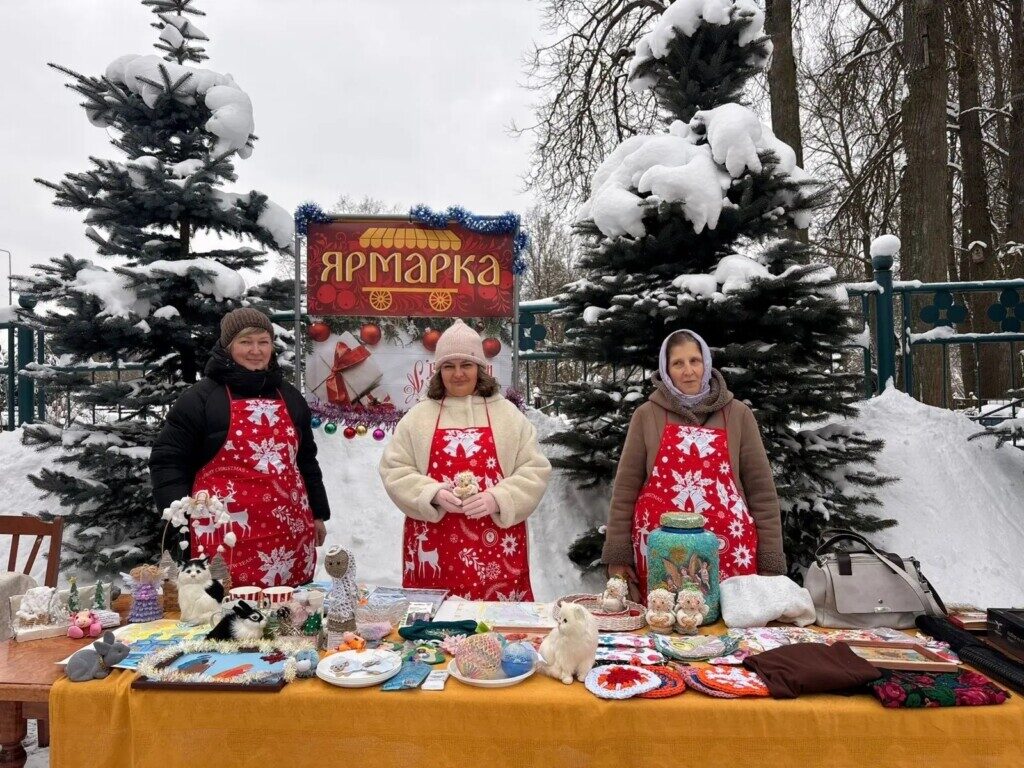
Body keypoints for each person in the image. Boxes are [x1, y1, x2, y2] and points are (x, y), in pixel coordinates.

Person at [150, 308, 330, 588]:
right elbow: (168, 460)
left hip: (288, 534)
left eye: (263, 342)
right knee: (224, 608)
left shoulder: (290, 397)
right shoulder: (201, 399)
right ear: (228, 346)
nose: (255, 351)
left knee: (289, 607)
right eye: (246, 342)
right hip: (222, 535)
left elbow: (306, 460)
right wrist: (179, 519)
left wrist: (318, 513)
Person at [603, 329, 785, 601]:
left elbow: (762, 492)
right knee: (663, 622)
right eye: (678, 363)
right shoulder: (646, 416)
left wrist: (770, 561)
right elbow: (624, 491)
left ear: (706, 364)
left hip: (730, 555)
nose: (688, 371)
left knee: (730, 624)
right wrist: (617, 555)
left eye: (694, 361)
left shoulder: (738, 415)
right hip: (661, 555)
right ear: (666, 370)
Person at [379, 320, 551, 601]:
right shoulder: (418, 418)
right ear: (439, 371)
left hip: (497, 548)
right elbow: (394, 469)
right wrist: (431, 493)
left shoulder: (508, 416)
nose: (458, 374)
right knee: (436, 625)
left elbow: (535, 469)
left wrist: (498, 498)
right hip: (435, 542)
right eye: (449, 366)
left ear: (480, 368)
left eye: (466, 365)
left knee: (496, 624)